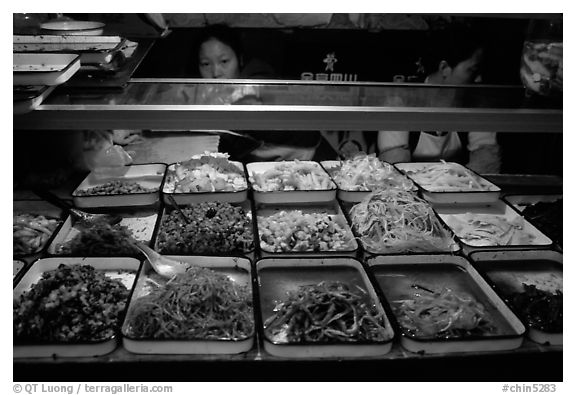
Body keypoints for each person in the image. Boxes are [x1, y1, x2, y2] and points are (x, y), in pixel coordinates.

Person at [193, 24, 337, 162]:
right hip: (271, 167)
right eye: (206, 64)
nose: (215, 72)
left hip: (315, 159)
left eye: (224, 61)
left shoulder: (257, 83)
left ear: (240, 59)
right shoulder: (203, 94)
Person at [377, 27, 502, 174]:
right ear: (444, 68)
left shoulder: (475, 103)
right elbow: (394, 167)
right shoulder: (401, 101)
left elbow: (485, 160)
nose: (478, 78)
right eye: (472, 70)